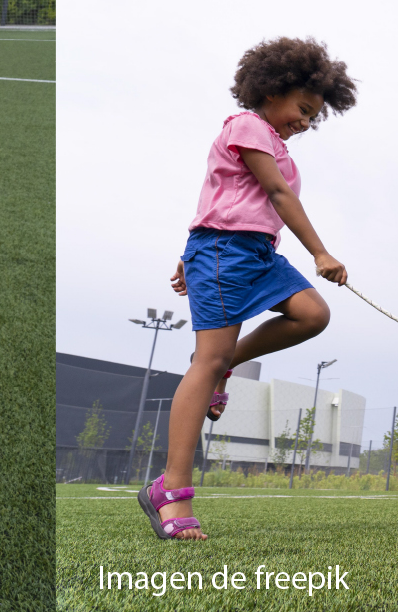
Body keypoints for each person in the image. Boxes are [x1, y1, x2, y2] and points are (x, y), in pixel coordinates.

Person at [142, 37, 358, 541]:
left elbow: (227, 195)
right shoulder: (246, 126)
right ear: (273, 89)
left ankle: (229, 366)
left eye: (313, 117)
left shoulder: (278, 147)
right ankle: (171, 491)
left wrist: (191, 250)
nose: (305, 122)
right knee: (205, 361)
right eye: (302, 109)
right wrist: (320, 253)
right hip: (224, 253)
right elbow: (277, 196)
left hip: (255, 254)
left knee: (311, 314)